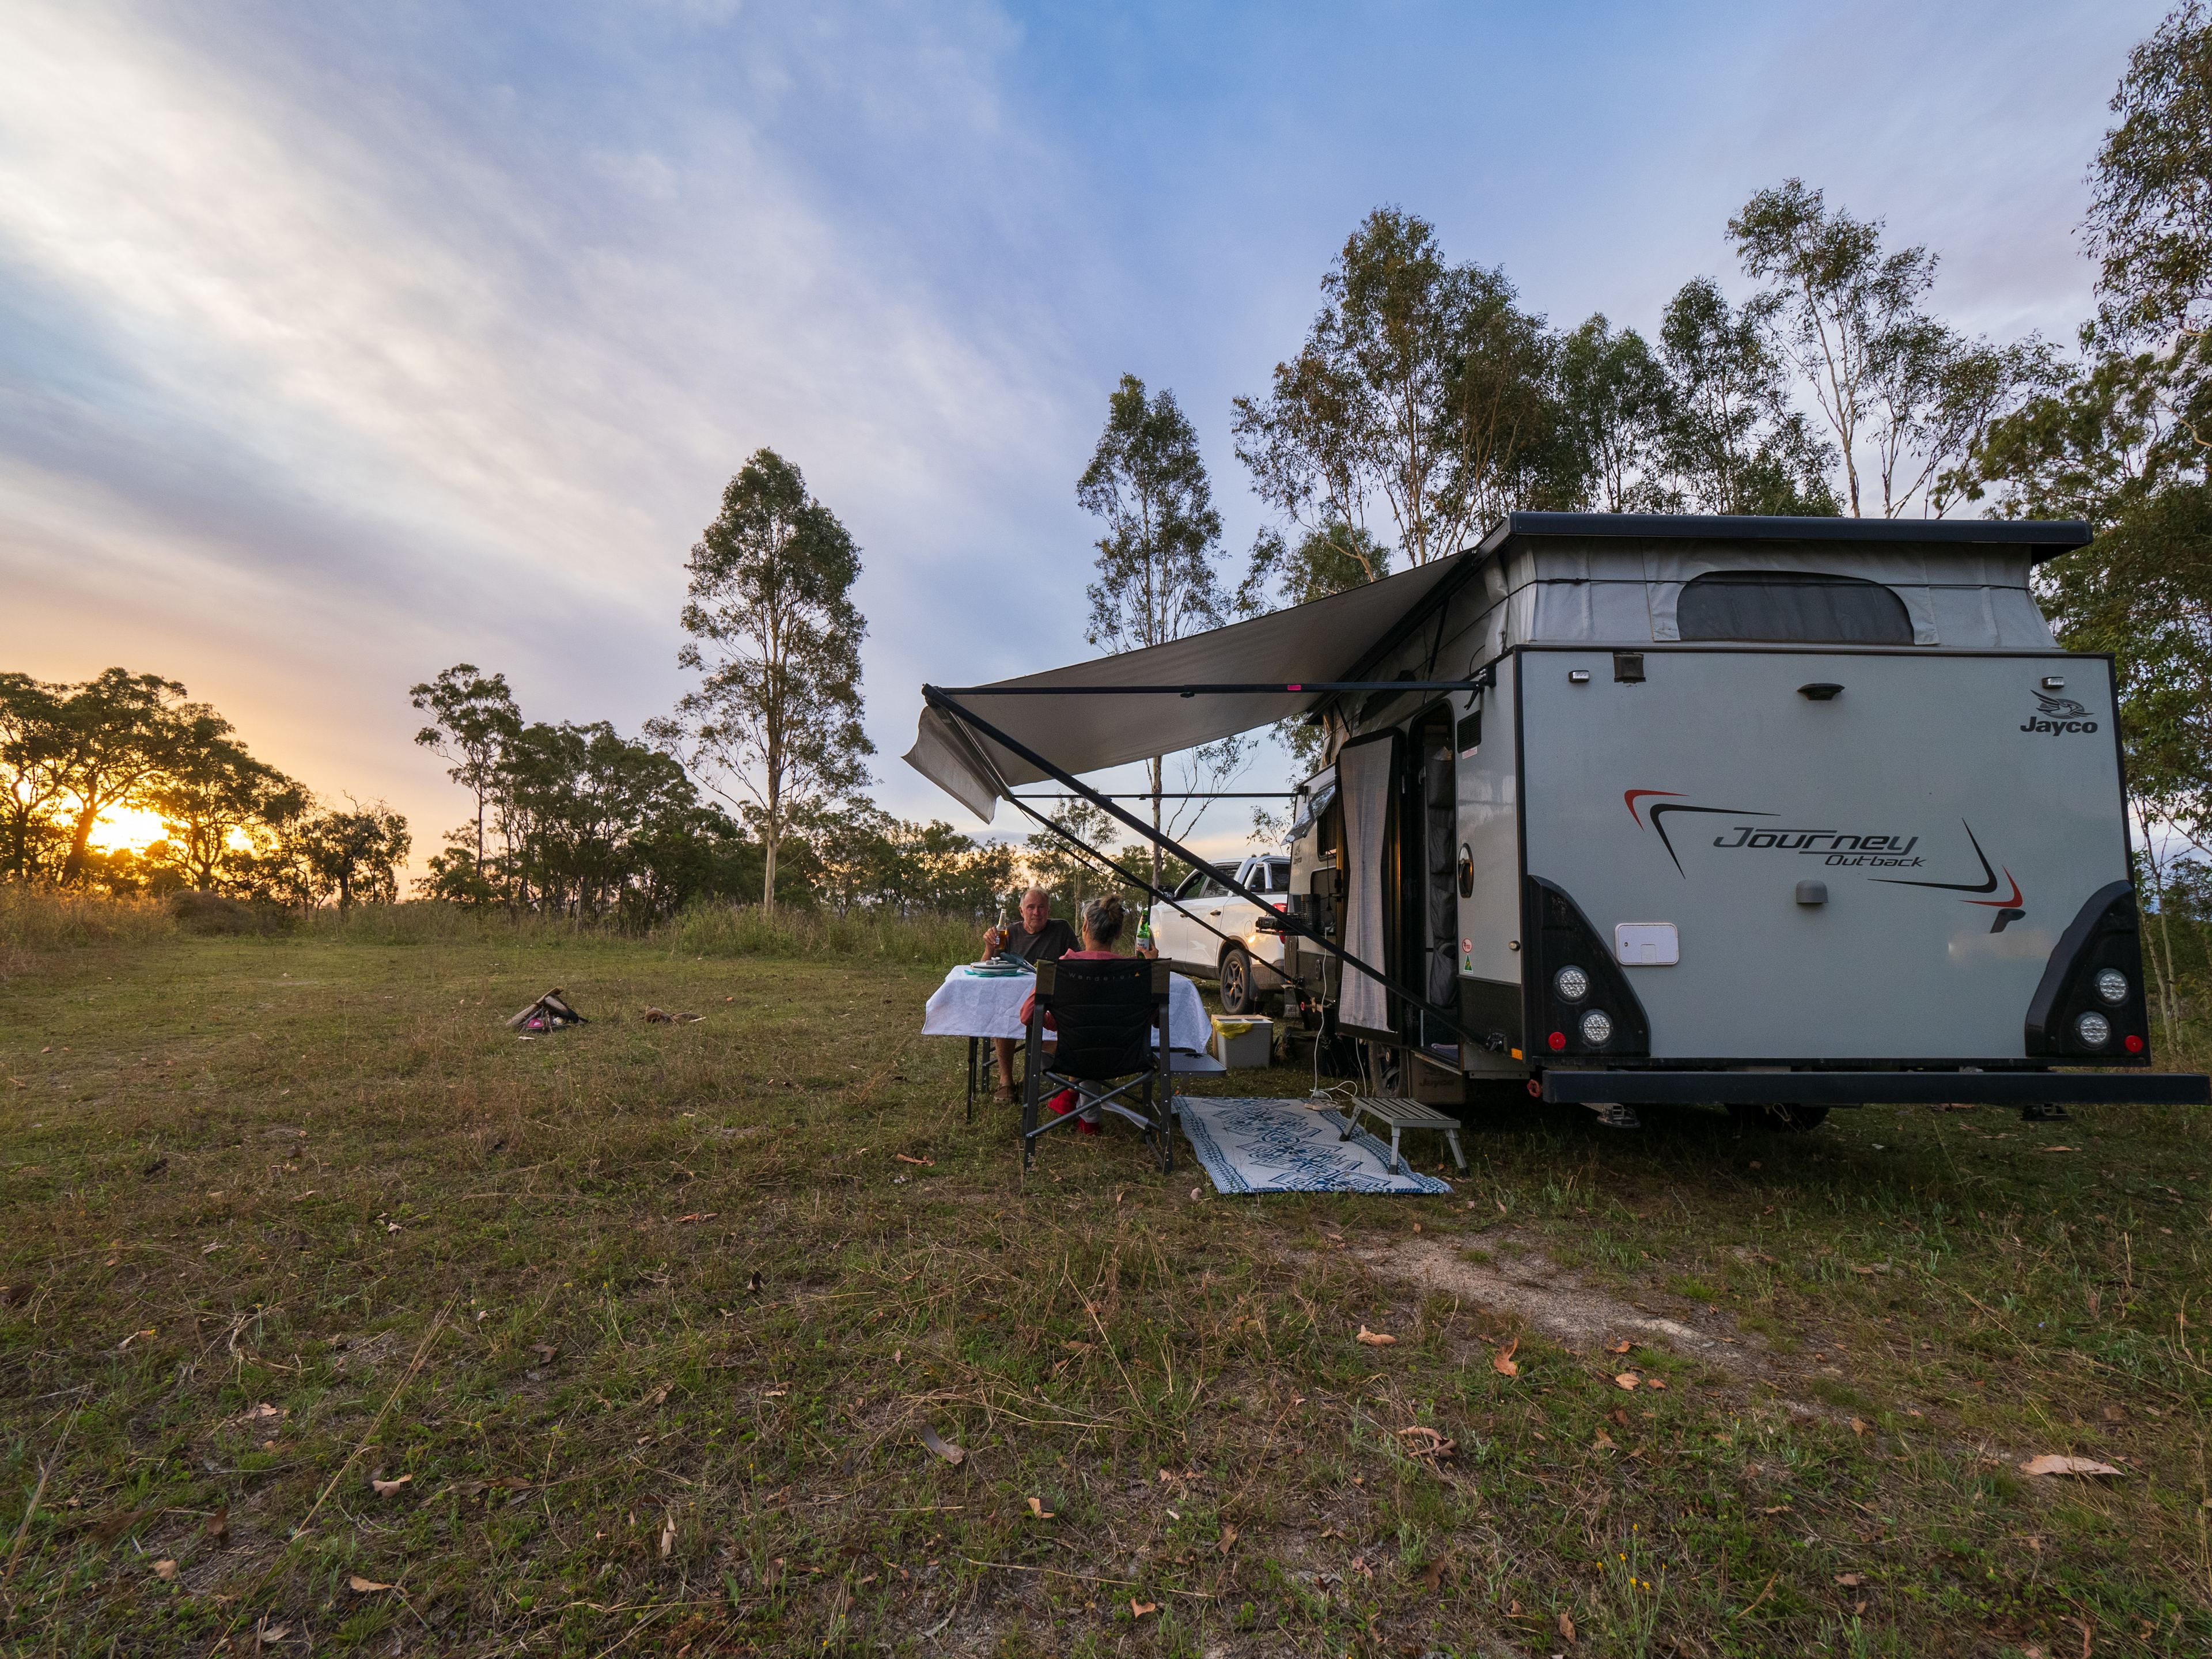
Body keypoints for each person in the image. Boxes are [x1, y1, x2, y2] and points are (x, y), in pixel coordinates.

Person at [1016, 893, 1160, 1135]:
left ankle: (1072, 1099)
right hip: (1126, 1055)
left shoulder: (1059, 967)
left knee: (1084, 1040)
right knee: (1096, 1036)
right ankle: (1084, 1112)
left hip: (1072, 1054)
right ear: (1118, 932)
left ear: (1084, 927)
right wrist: (1151, 967)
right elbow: (1155, 1019)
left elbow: (1028, 1016)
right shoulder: (1139, 972)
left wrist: (1060, 1023)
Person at [984, 887, 1079, 1103]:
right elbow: (988, 966)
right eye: (1031, 907)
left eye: (1041, 907)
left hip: (1052, 1002)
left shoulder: (1061, 929)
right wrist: (989, 946)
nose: (1036, 912)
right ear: (1021, 911)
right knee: (1004, 1016)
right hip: (1013, 1001)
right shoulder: (1008, 932)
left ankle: (1037, 1077)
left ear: (1049, 909)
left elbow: (1078, 960)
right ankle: (1006, 1081)